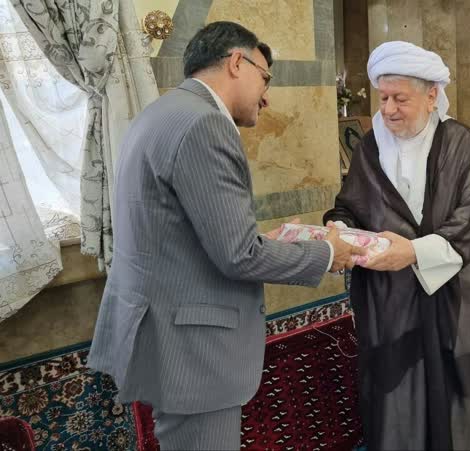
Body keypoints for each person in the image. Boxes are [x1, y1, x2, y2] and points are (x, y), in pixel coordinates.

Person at [87, 22, 363, 450]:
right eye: (265, 78)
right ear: (237, 62)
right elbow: (239, 255)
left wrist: (263, 241)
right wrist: (326, 253)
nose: (267, 97)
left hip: (161, 330)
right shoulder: (206, 125)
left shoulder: (161, 112)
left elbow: (183, 233)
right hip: (193, 349)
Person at [323, 41, 470, 450]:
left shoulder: (461, 143)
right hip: (393, 305)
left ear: (431, 96)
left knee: (460, 412)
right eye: (383, 98)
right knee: (399, 407)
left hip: (455, 304)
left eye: (400, 99)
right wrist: (339, 229)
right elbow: (350, 206)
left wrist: (412, 252)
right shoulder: (370, 147)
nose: (389, 109)